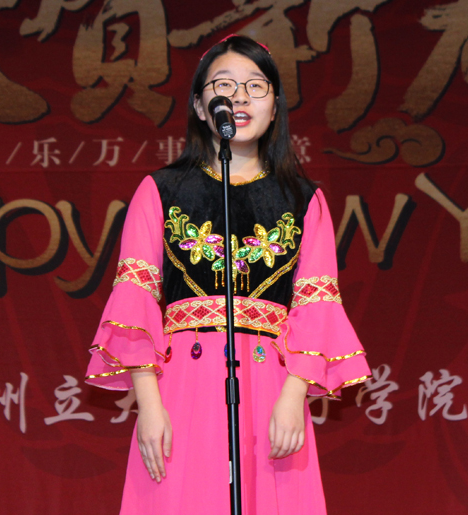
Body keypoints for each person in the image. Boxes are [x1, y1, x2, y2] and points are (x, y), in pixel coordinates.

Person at [86, 35, 371, 515]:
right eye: (223, 86)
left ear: (275, 106)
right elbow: (134, 297)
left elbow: (317, 305)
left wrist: (294, 394)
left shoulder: (304, 200)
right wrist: (149, 405)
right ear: (201, 106)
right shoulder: (161, 191)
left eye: (255, 87)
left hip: (272, 387)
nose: (239, 98)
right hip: (183, 387)